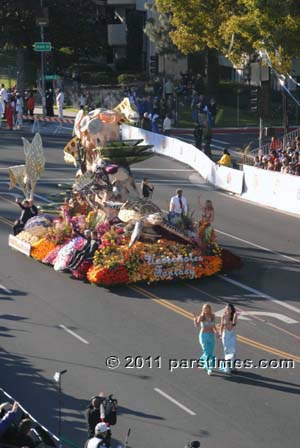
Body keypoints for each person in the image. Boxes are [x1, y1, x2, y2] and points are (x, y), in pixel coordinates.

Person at [193, 303, 219, 375]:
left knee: (210, 353)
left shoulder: (213, 316)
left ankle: (202, 362)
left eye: (207, 308)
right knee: (207, 352)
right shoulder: (202, 316)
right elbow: (196, 325)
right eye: (204, 308)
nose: (205, 309)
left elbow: (214, 326)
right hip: (204, 336)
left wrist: (217, 332)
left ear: (209, 309)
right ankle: (209, 368)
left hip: (211, 336)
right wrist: (195, 318)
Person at [219, 303, 238, 374]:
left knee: (233, 350)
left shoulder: (234, 316)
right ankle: (227, 367)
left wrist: (234, 318)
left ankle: (233, 366)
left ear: (232, 309)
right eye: (226, 308)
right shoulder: (223, 316)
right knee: (227, 350)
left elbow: (232, 327)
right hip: (226, 335)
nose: (227, 310)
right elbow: (222, 326)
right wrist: (220, 333)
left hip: (232, 334)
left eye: (229, 308)